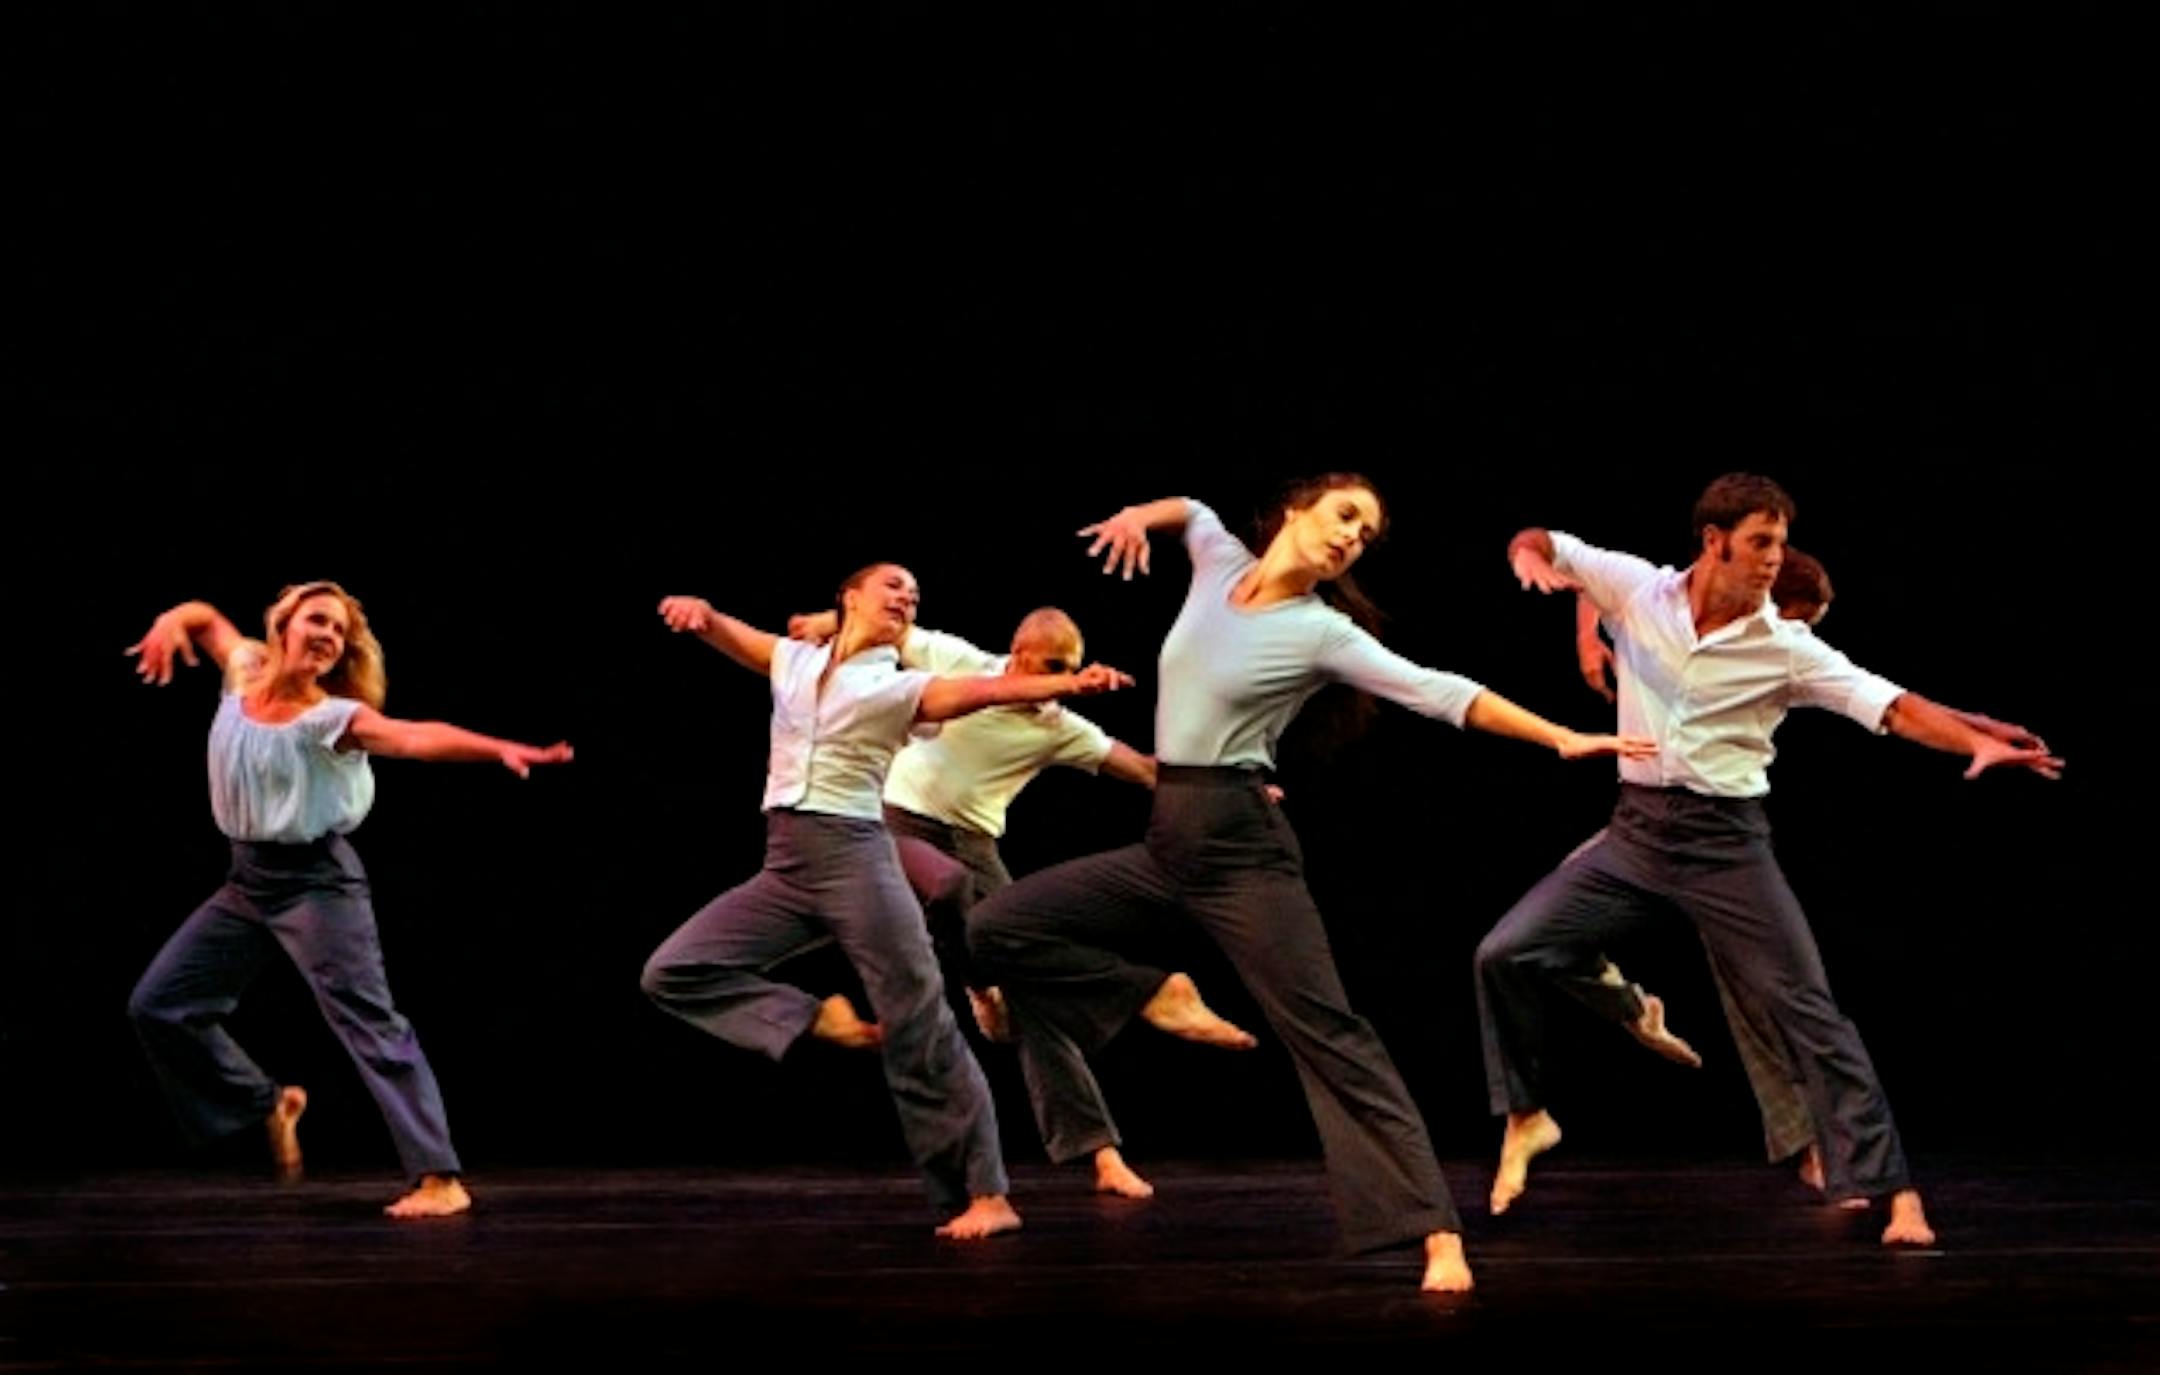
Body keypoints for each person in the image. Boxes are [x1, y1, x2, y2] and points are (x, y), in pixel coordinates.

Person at [968, 476, 1655, 1292]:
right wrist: (1133, 517)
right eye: (1343, 516)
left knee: (1330, 1032)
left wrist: (1558, 737)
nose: (1350, 537)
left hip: (1242, 850)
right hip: (1167, 836)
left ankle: (1436, 1229)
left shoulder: (1322, 632)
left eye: (1364, 534)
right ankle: (1151, 994)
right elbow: (1192, 510)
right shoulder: (1219, 564)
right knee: (993, 928)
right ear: (1296, 512)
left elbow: (1438, 690)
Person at [1480, 473, 2062, 1244]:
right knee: (1505, 950)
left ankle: (1893, 1190)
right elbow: (1553, 543)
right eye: (1760, 543)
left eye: (1780, 544)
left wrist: (1975, 736)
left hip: (1725, 845)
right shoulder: (1641, 590)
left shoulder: (1786, 647)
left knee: (1808, 1008)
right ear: (1714, 541)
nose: (1772, 559)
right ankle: (1528, 1110)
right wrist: (1530, 554)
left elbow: (1888, 703)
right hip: (1637, 832)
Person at [639, 563, 1131, 1238]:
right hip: (785, 861)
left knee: (919, 1022)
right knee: (675, 969)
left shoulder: (898, 686)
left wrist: (1065, 683)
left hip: (859, 858)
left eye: (914, 595)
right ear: (847, 598)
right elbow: (739, 637)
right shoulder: (794, 661)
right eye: (892, 586)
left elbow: (977, 690)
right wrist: (704, 612)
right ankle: (818, 1020)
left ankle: (988, 1193)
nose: (906, 597)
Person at [125, 582, 572, 1218]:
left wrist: (494, 748)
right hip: (246, 880)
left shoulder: (332, 720)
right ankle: (266, 1102)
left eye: (339, 632)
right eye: (318, 621)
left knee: (370, 1021)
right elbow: (206, 620)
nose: (330, 637)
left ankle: (440, 1177)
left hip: (316, 883)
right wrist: (172, 617)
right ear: (282, 627)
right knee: (160, 1005)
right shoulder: (245, 668)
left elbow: (415, 737)